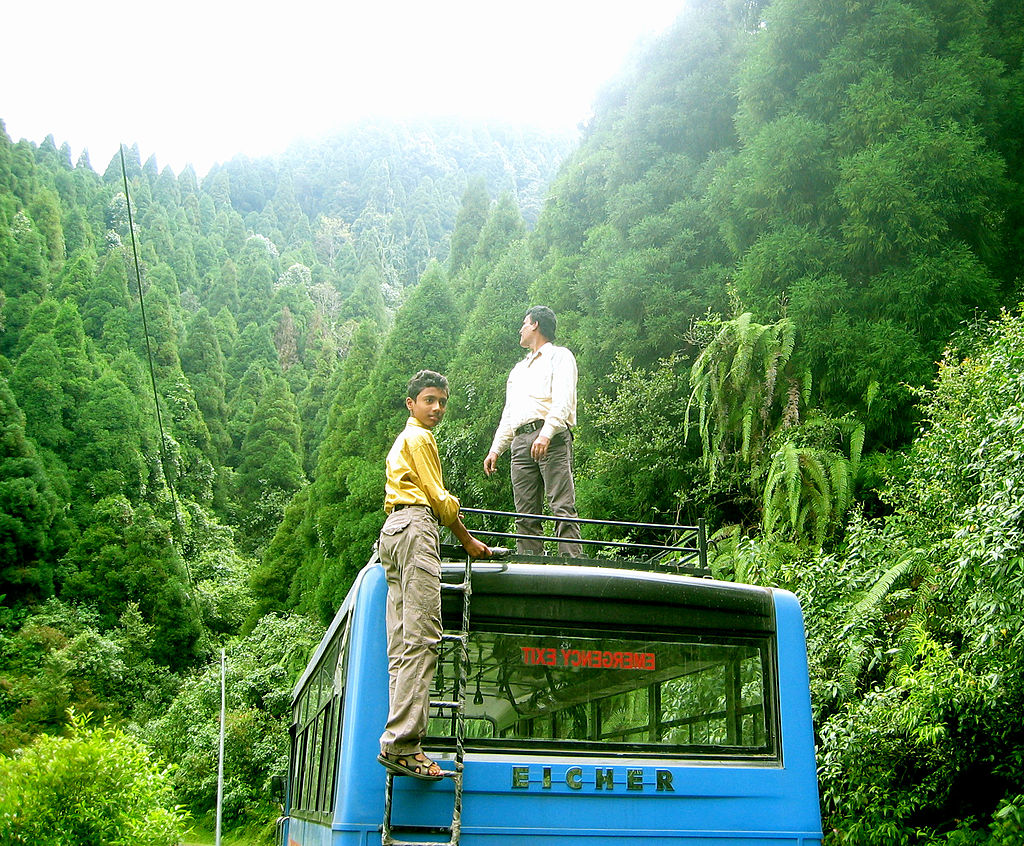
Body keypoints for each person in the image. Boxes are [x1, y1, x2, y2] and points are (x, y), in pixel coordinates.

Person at [377, 369, 491, 781]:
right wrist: (467, 539)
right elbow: (440, 502)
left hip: (390, 533)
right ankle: (403, 744)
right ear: (411, 404)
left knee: (402, 644)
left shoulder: (399, 442)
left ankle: (398, 739)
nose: (437, 409)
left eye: (442, 401)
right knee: (424, 637)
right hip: (415, 528)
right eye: (429, 400)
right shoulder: (420, 438)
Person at [484, 306, 582, 558]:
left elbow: (563, 401)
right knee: (524, 513)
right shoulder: (518, 371)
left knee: (561, 504)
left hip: (551, 437)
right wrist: (496, 448)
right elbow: (510, 414)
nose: (521, 329)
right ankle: (530, 565)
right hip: (520, 441)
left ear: (536, 325)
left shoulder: (560, 356)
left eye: (524, 323)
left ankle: (571, 564)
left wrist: (546, 434)